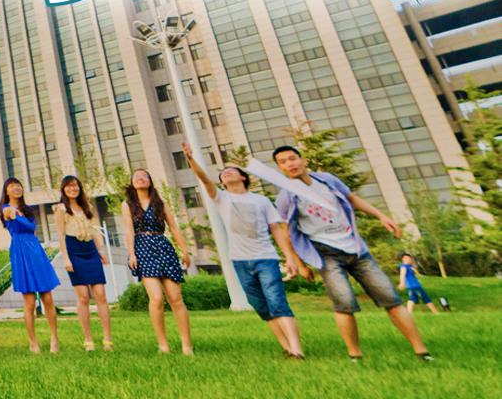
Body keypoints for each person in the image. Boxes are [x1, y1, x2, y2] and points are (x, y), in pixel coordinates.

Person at [272, 145, 433, 361]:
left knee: (391, 299)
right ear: (279, 169)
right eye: (282, 162)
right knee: (344, 304)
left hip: (357, 250)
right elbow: (288, 234)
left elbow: (352, 199)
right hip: (325, 254)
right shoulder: (286, 196)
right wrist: (300, 264)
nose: (289, 164)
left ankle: (422, 351)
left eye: (292, 158)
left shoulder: (327, 180)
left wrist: (381, 216)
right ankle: (355, 356)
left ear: (303, 161)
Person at [184, 143, 307, 359]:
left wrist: (289, 257)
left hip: (266, 258)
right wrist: (190, 159)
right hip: (240, 260)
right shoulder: (222, 197)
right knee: (261, 307)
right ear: (222, 183)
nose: (226, 172)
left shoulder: (261, 200)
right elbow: (204, 178)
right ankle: (287, 347)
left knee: (277, 302)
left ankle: (297, 350)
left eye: (231, 170)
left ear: (243, 177)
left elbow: (277, 230)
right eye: (223, 174)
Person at [122, 169, 193, 355]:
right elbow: (129, 230)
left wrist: (184, 251)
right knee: (156, 298)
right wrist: (132, 254)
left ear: (150, 181)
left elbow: (174, 228)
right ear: (132, 182)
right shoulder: (128, 205)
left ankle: (187, 346)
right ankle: (163, 345)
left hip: (163, 247)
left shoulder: (161, 203)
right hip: (142, 249)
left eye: (144, 176)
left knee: (175, 299)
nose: (140, 178)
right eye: (136, 176)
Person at [52, 175, 114, 353]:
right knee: (83, 297)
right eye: (69, 186)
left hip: (90, 250)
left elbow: (93, 231)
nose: (73, 189)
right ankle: (88, 339)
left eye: (75, 185)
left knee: (100, 295)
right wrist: (66, 258)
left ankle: (108, 339)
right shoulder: (61, 209)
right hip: (74, 250)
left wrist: (100, 251)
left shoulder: (87, 207)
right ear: (63, 189)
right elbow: (61, 235)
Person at [0, 177, 61, 354]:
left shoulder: (27, 209)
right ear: (6, 191)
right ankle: (33, 342)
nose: (16, 188)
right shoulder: (6, 208)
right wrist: (15, 212)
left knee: (47, 298)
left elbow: (32, 228)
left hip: (35, 249)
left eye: (18, 185)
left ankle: (54, 337)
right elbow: (10, 213)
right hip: (20, 251)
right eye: (12, 186)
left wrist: (21, 213)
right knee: (29, 302)